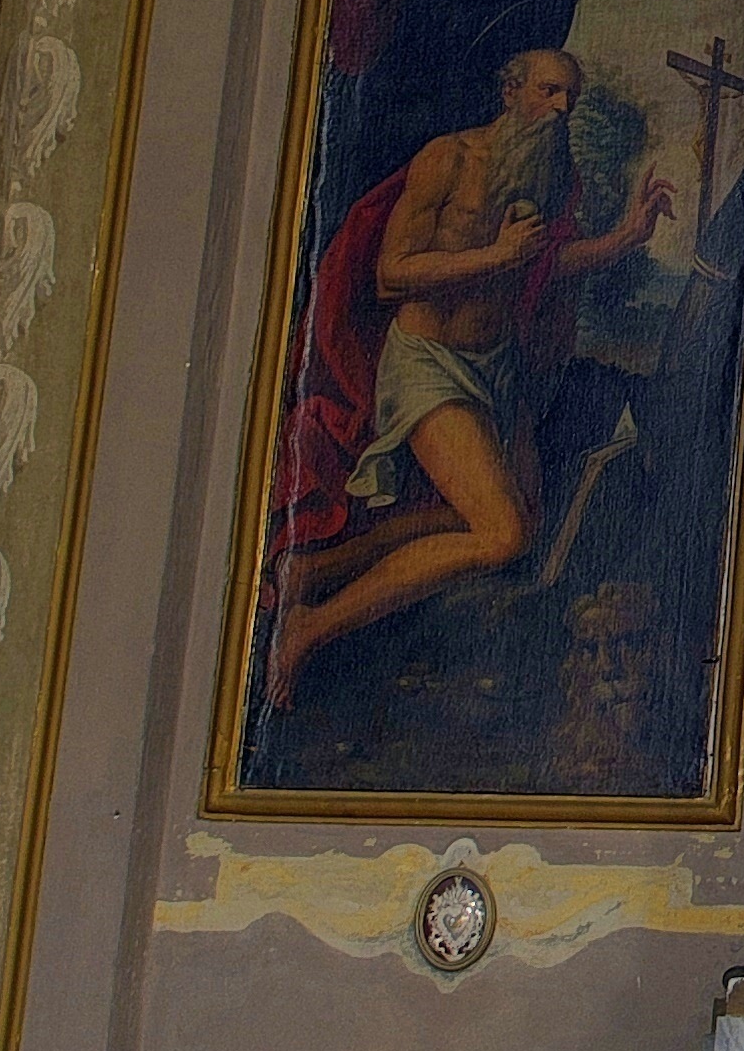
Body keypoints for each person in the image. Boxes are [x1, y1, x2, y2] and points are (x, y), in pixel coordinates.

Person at [261, 47, 671, 702]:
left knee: (501, 518)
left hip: (495, 367)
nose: (559, 108)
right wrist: (495, 253)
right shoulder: (445, 159)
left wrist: (623, 238)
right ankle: (309, 626)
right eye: (547, 92)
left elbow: (540, 267)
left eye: (568, 97)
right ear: (510, 91)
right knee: (502, 534)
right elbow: (392, 274)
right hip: (428, 363)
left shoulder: (547, 172)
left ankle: (314, 570)